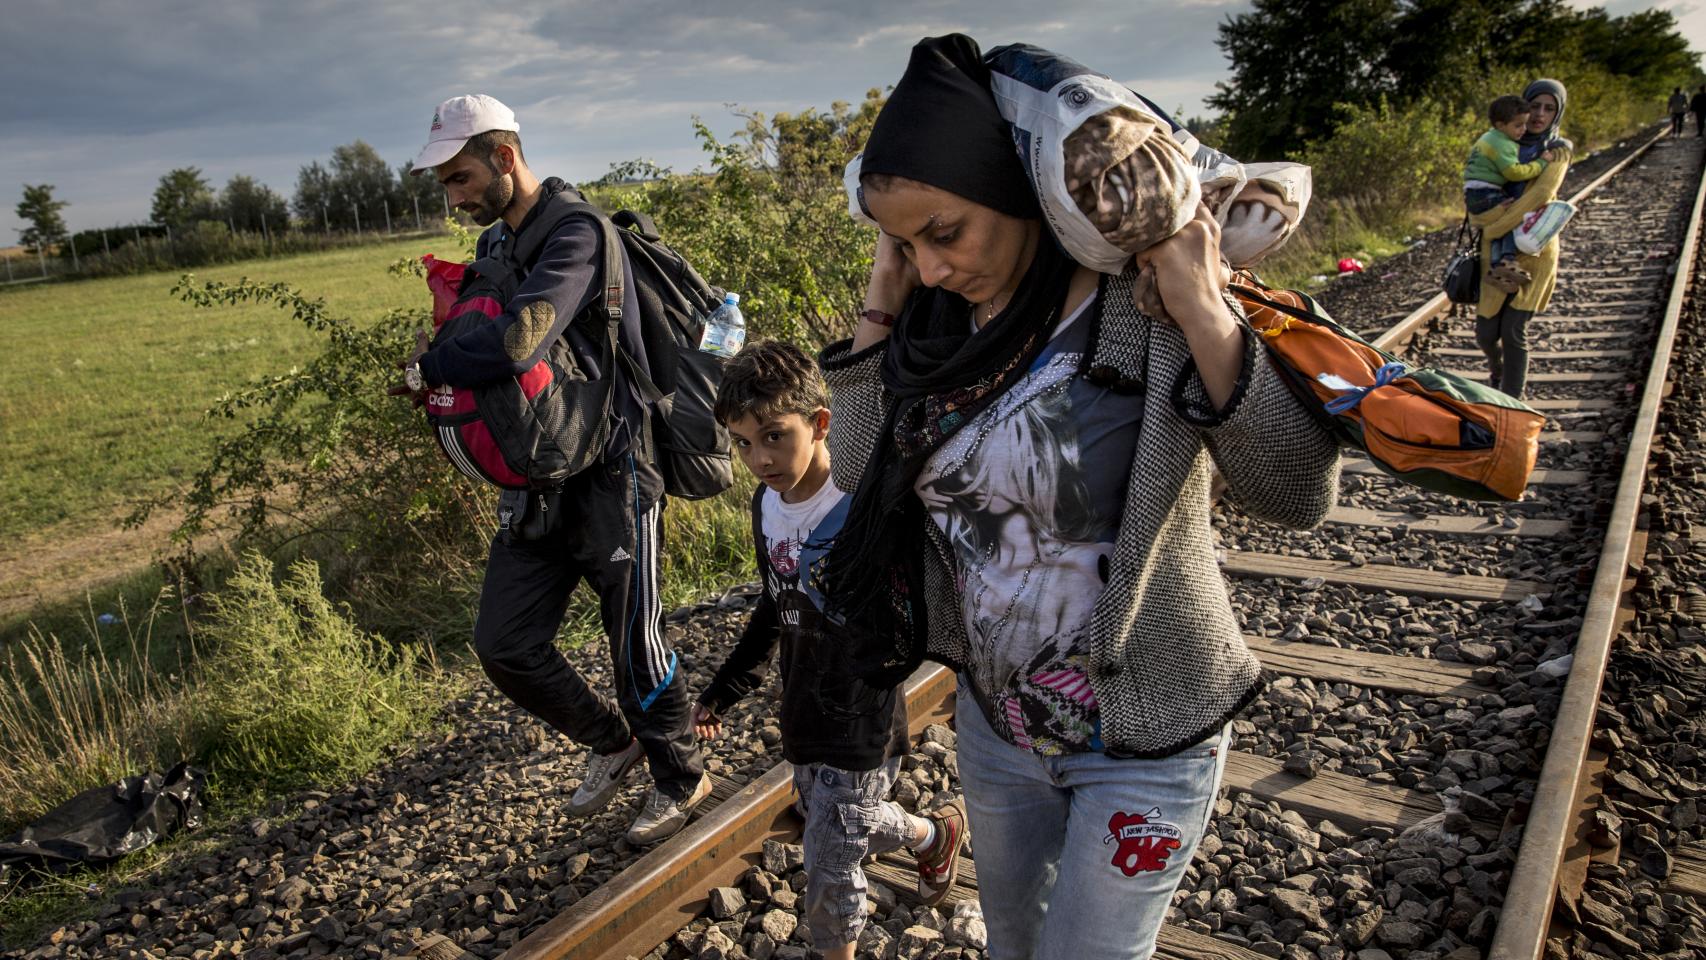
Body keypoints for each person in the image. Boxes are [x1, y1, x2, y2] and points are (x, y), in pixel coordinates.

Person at [816, 35, 1341, 960]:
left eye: (946, 232)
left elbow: (1293, 493)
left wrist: (1204, 307)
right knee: (1015, 944)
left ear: (1016, 194)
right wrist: (881, 304)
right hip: (997, 729)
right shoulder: (935, 330)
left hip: (1146, 732)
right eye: (904, 242)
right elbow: (856, 470)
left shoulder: (1137, 310)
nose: (931, 264)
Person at [394, 94, 707, 845]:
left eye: (460, 178)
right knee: (504, 641)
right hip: (538, 474)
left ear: (505, 157)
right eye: (445, 184)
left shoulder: (578, 234)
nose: (454, 196)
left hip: (616, 468)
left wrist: (428, 364)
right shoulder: (496, 251)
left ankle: (680, 774)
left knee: (634, 634)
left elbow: (516, 343)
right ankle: (615, 742)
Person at [690, 340, 968, 960]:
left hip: (863, 709)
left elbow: (914, 594)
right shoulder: (766, 506)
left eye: (773, 436)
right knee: (844, 822)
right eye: (742, 442)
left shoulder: (857, 505)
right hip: (804, 708)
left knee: (829, 864)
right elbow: (774, 605)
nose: (759, 459)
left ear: (819, 424)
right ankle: (932, 833)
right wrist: (723, 691)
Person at [1470, 80, 1571, 399]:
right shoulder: (1502, 143)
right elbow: (1476, 184)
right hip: (1495, 251)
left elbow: (1539, 195)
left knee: (1513, 331)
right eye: (1535, 105)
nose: (1540, 114)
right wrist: (1481, 217)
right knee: (1486, 332)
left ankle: (1511, 401)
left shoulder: (1557, 150)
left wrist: (1494, 226)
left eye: (1549, 108)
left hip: (1534, 249)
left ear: (1558, 113)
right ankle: (1497, 370)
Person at [1463, 95, 1554, 269]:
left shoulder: (1488, 137)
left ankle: (1498, 265)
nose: (1523, 130)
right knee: (1512, 219)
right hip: (1486, 193)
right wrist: (1541, 163)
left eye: (1525, 124)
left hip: (1473, 192)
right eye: (1518, 125)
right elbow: (1514, 173)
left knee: (1499, 227)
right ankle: (1507, 259)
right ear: (1500, 125)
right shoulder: (1503, 144)